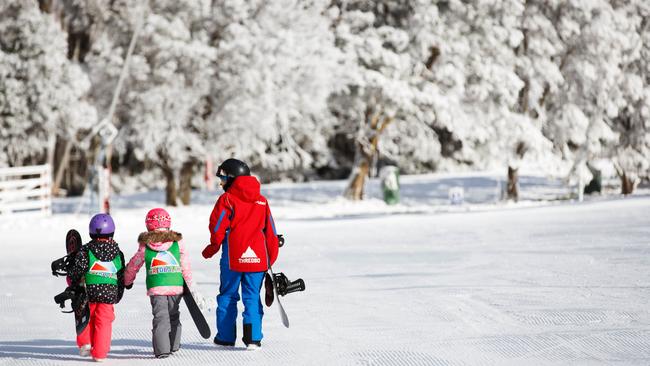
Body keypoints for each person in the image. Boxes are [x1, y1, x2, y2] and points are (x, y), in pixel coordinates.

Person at [202, 158, 280, 350]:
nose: (220, 182)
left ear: (231, 178)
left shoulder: (227, 199)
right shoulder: (262, 201)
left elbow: (218, 226)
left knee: (228, 295)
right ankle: (253, 338)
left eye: (222, 177)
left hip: (233, 257)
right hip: (258, 259)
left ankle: (226, 337)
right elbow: (270, 231)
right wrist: (269, 258)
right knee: (252, 296)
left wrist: (213, 247)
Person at [123, 208, 196, 358]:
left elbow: (134, 264)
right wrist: (190, 284)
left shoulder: (145, 246)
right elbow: (185, 265)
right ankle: (174, 345)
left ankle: (162, 350)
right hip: (176, 286)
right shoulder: (177, 243)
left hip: (157, 288)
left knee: (161, 317)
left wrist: (127, 280)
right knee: (174, 315)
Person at [69, 213, 126, 362]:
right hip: (109, 293)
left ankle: (85, 343)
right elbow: (121, 276)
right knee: (104, 322)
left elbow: (78, 270)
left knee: (85, 316)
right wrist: (118, 294)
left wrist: (72, 280)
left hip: (89, 291)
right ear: (112, 232)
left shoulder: (85, 251)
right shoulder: (118, 253)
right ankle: (100, 354)